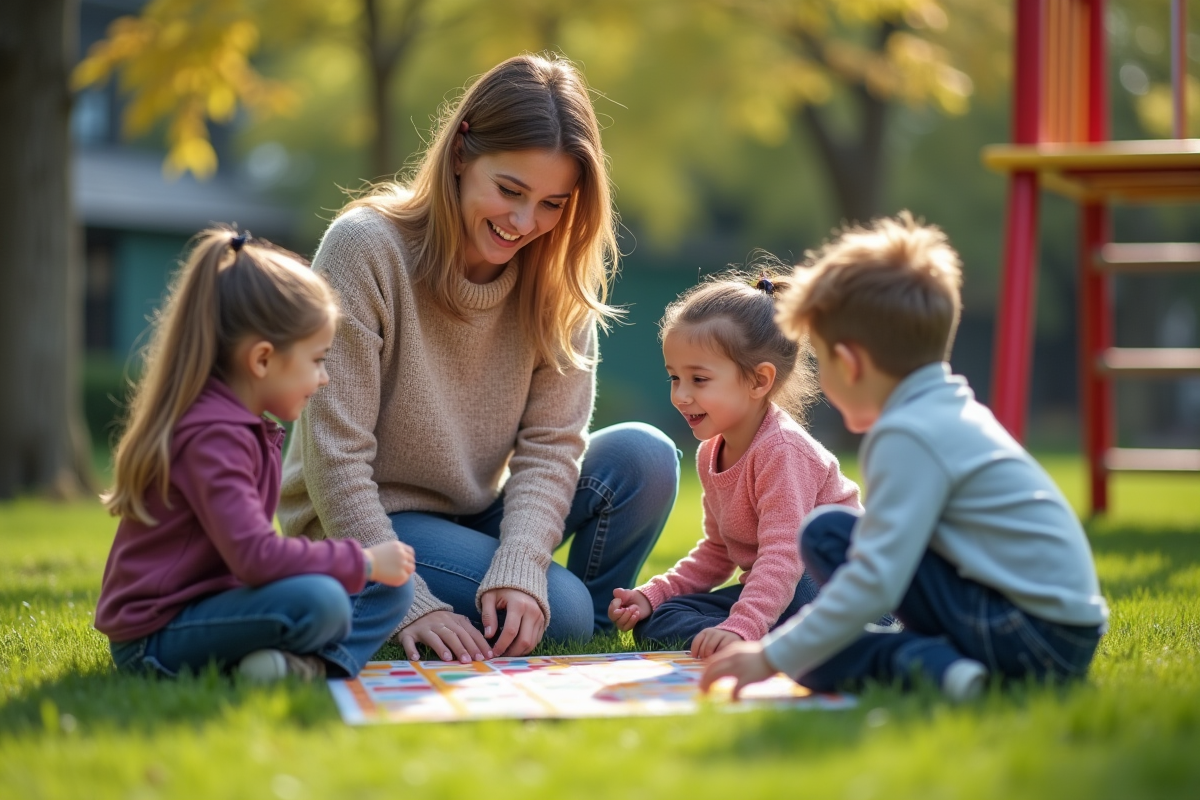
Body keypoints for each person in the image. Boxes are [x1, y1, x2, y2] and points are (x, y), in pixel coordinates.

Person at [278, 54, 680, 664]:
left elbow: (551, 447)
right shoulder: (366, 248)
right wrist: (404, 598)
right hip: (366, 520)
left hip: (474, 512)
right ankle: (555, 617)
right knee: (559, 608)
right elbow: (334, 455)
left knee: (646, 456)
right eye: (510, 191)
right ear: (461, 154)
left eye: (553, 203)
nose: (525, 223)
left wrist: (520, 566)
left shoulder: (556, 278)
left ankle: (577, 624)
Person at [701, 213, 1109, 701]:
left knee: (811, 657)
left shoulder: (906, 435)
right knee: (828, 532)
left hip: (1028, 634)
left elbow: (876, 578)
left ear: (850, 364)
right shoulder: (947, 409)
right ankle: (937, 660)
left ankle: (933, 665)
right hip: (1057, 630)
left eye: (822, 360)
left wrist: (768, 657)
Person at [95, 229, 416, 681]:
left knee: (395, 592)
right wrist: (362, 561)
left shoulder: (241, 425)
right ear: (262, 359)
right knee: (322, 601)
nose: (324, 378)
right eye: (318, 359)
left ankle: (297, 667)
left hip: (221, 605)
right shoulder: (212, 437)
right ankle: (297, 666)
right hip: (156, 637)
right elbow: (256, 557)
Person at [607, 275, 861, 659]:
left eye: (699, 379)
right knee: (659, 620)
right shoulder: (711, 452)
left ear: (759, 380)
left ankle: (814, 638)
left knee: (795, 587)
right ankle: (771, 640)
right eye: (674, 377)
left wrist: (742, 625)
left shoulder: (783, 449)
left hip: (837, 587)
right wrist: (653, 594)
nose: (681, 395)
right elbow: (717, 551)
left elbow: (784, 554)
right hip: (778, 592)